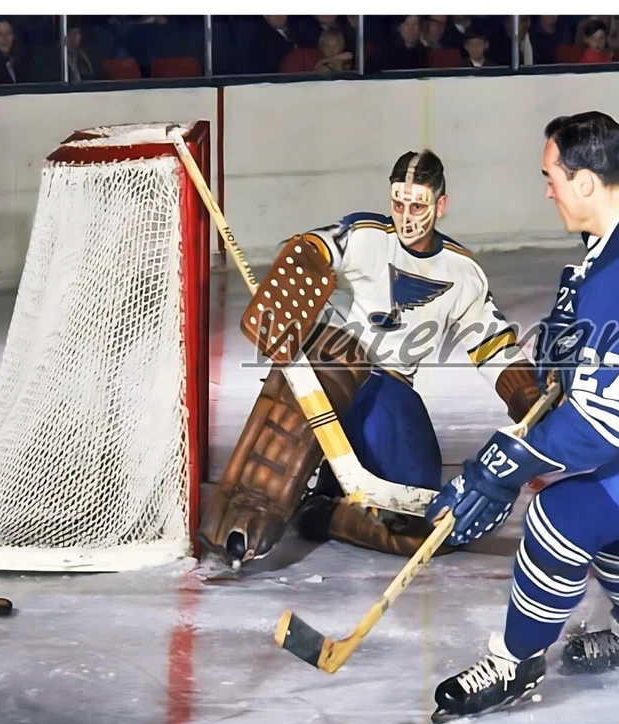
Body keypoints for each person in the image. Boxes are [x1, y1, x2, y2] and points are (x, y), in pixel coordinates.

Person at [424, 112, 619, 722]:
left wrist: (503, 466)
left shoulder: (618, 276)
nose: (546, 189)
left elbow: (602, 427)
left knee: (560, 517)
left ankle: (514, 663)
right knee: (604, 502)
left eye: (551, 177)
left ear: (586, 183)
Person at [198, 150, 542, 566]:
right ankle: (248, 509)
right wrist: (302, 262)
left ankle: (324, 513)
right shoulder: (366, 235)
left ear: (442, 205)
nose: (406, 216)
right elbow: (318, 245)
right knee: (331, 351)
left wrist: (527, 396)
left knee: (428, 530)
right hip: (339, 374)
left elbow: (494, 347)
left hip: (390, 395)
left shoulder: (462, 273)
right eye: (399, 203)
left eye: (418, 205)